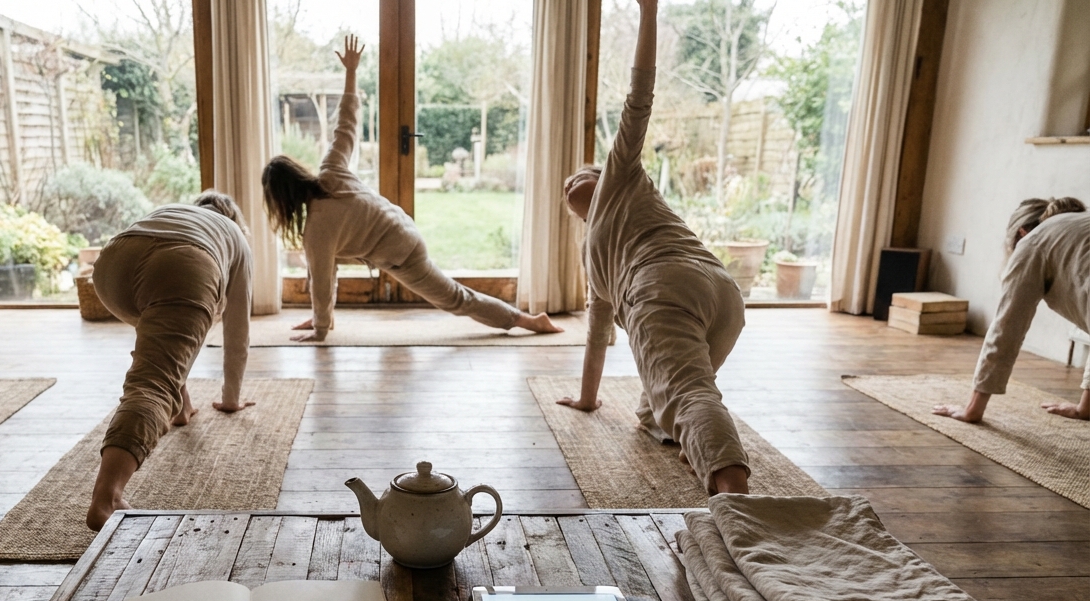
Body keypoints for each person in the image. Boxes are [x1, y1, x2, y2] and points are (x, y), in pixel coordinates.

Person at [556, 0, 750, 495]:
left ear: (600, 176)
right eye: (564, 188)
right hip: (719, 295)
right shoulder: (594, 256)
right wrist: (586, 398)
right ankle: (692, 440)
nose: (569, 184)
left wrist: (648, 14)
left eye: (579, 174)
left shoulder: (621, 177)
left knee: (686, 395)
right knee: (654, 414)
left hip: (664, 284)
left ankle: (738, 499)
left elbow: (638, 99)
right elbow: (598, 331)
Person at [261, 35, 563, 343]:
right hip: (399, 228)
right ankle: (323, 317)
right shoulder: (331, 170)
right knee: (320, 261)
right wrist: (351, 71)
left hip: (402, 253)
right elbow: (347, 124)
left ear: (281, 202)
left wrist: (320, 333)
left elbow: (322, 284)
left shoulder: (317, 228)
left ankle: (528, 321)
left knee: (455, 299)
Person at [86, 191, 256, 531]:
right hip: (184, 264)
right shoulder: (234, 236)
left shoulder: (173, 213)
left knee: (161, 345)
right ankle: (106, 500)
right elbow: (238, 332)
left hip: (113, 265)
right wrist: (231, 399)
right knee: (152, 383)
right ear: (235, 219)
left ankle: (181, 406)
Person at [933, 196, 1089, 423]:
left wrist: (972, 410)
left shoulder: (1033, 242)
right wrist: (1084, 409)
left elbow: (1006, 329)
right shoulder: (1077, 228)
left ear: (1021, 233)